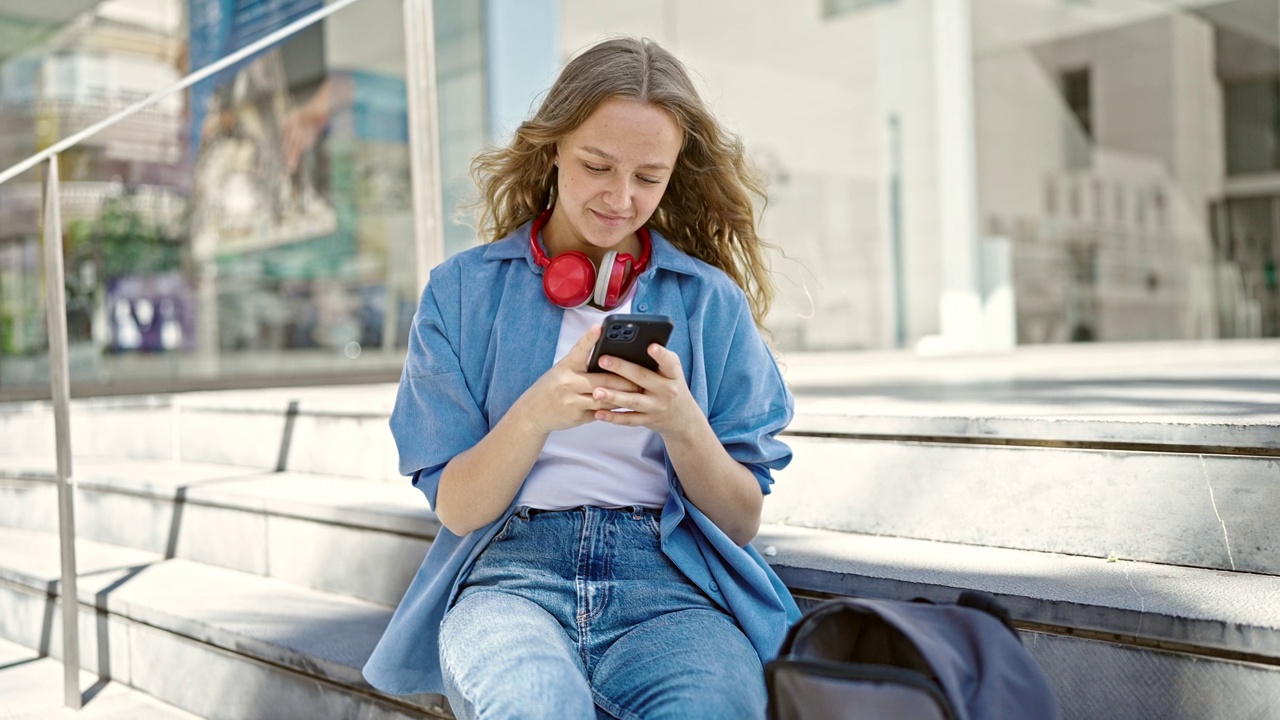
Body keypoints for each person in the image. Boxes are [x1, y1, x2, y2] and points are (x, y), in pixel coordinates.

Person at [362, 36, 798, 719]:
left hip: (671, 587)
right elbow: (458, 508)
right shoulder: (461, 293)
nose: (620, 198)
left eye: (648, 177)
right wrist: (537, 411)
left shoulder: (711, 303)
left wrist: (683, 423)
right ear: (553, 148)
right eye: (598, 165)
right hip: (511, 580)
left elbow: (741, 519)